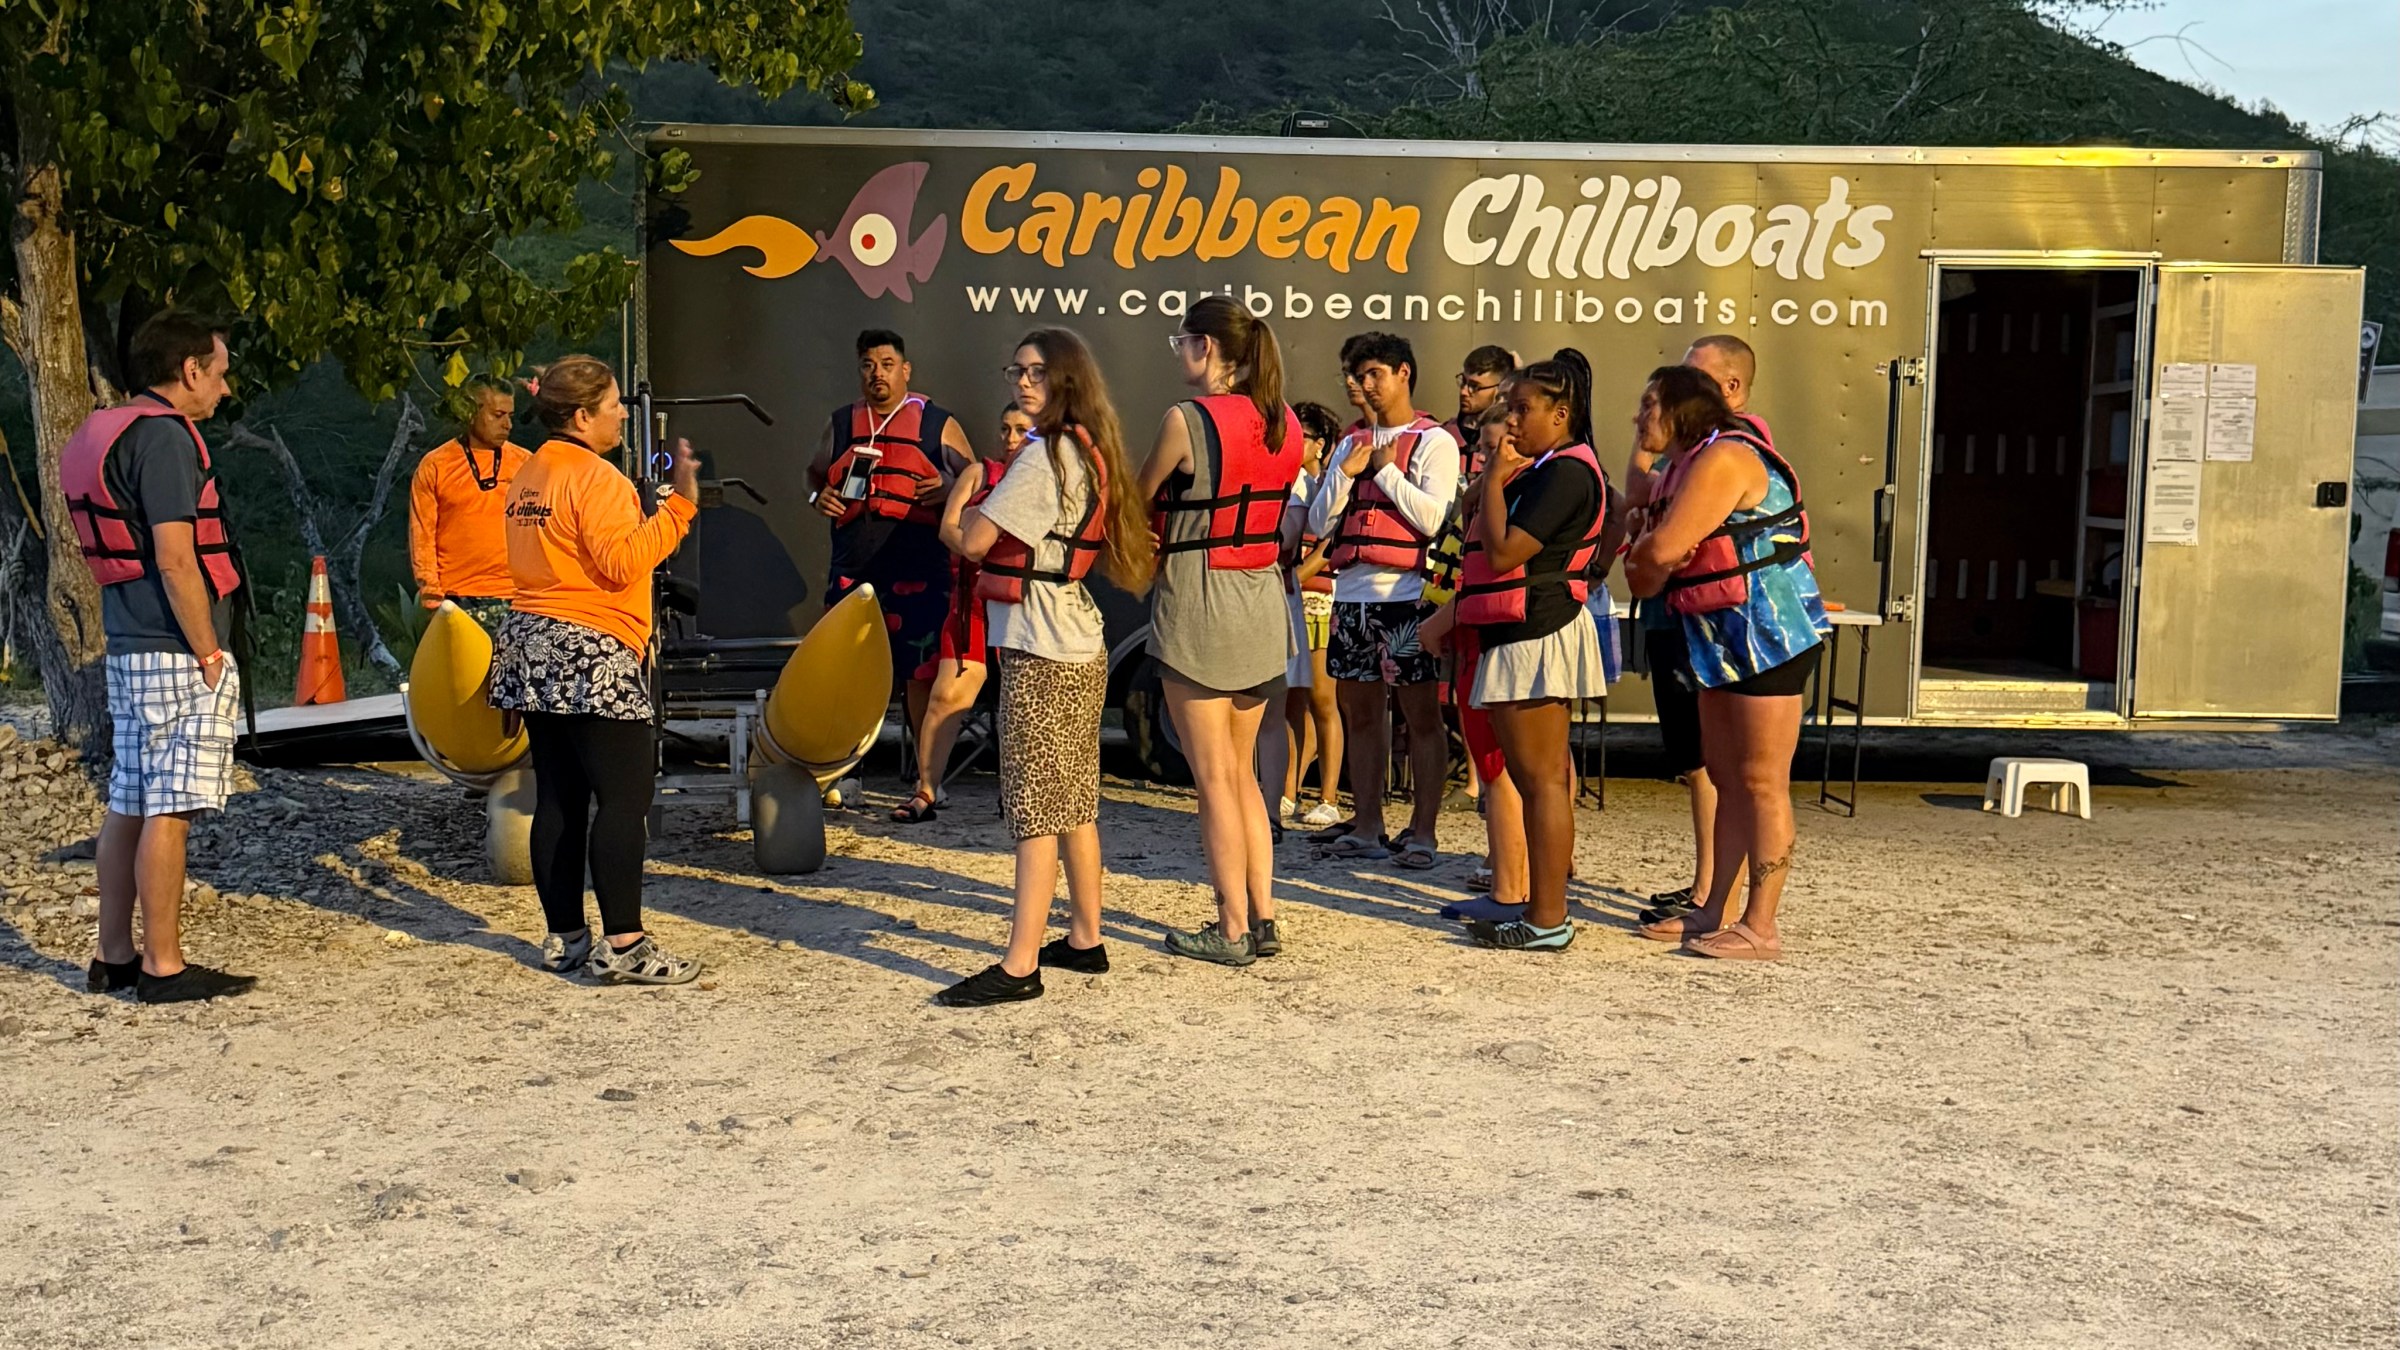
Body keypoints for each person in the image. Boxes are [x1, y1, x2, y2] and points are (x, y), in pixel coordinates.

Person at [934, 328, 1153, 1006]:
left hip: (1041, 646)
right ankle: (1085, 937)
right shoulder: (1088, 449)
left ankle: (1020, 963)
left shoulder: (1040, 457)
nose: (1023, 382)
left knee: (1034, 808)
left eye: (1037, 372)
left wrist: (956, 498)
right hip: (1076, 638)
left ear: (1065, 381)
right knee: (1075, 801)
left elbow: (972, 542)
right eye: (1017, 369)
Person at [491, 355, 704, 985]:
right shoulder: (596, 476)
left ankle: (567, 937)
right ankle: (626, 944)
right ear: (582, 415)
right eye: (613, 405)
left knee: (559, 793)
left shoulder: (530, 472)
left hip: (532, 642)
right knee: (625, 797)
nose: (620, 415)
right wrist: (678, 510)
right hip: (592, 646)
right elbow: (620, 562)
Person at [67, 310, 255, 1003]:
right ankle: (163, 967)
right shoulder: (166, 442)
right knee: (170, 808)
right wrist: (210, 650)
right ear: (190, 371)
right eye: (220, 372)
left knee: (129, 802)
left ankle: (113, 956)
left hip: (127, 642)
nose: (224, 389)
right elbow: (178, 560)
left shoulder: (104, 429)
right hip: (177, 651)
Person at [1624, 365, 1826, 962]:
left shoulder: (1724, 459)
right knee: (1725, 774)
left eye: (1649, 406)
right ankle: (1713, 908)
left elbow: (1654, 556)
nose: (1637, 420)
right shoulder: (1686, 463)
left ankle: (1760, 926)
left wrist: (1647, 553)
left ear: (1683, 409)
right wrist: (1647, 553)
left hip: (1770, 636)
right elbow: (1645, 551)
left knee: (1761, 781)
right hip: (1719, 639)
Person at [1139, 296, 1307, 966]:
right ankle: (1262, 915)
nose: (1179, 351)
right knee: (1242, 777)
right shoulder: (1285, 421)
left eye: (1183, 340)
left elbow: (1143, 491)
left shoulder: (1186, 420)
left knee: (1213, 779)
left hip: (1200, 595)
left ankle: (1230, 927)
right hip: (1262, 598)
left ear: (1207, 348)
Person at [1450, 351, 1617, 951]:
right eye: (1510, 409)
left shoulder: (1567, 471)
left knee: (1541, 781)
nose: (1511, 421)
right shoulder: (1556, 466)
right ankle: (1538, 908)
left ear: (1562, 412)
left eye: (1523, 409)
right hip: (1525, 629)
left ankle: (1547, 918)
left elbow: (1501, 555)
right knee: (1532, 779)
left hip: (1537, 630)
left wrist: (1494, 477)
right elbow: (1616, 509)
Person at [1305, 332, 1462, 870]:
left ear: (1402, 373)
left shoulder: (1435, 441)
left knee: (1421, 717)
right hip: (1351, 595)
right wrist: (1345, 477)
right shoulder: (1350, 442)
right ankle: (1367, 823)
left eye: (1373, 373)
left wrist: (1387, 470)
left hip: (1409, 597)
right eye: (1356, 375)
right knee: (1361, 715)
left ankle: (1423, 831)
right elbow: (1318, 523)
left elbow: (1433, 518)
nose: (1363, 385)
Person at [1631, 335, 1771, 927]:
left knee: (1738, 771)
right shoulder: (1682, 455)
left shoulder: (1733, 451)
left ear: (1730, 390)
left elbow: (1662, 545)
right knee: (1697, 761)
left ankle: (1726, 901)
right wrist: (1644, 439)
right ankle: (1708, 890)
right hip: (1678, 617)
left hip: (1722, 627)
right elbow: (1636, 507)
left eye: (1695, 379)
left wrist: (1646, 548)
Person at [808, 329, 978, 766]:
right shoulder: (842, 422)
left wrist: (948, 487)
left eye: (886, 365)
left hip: (919, 565)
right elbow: (814, 474)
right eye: (867, 365)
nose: (876, 374)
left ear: (905, 370)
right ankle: (844, 768)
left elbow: (979, 481)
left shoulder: (937, 423)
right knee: (847, 672)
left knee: (920, 672)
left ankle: (926, 776)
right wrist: (817, 496)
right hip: (854, 565)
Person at [894, 403, 1036, 823]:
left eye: (1021, 431)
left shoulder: (1044, 477)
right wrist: (980, 535)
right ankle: (926, 789)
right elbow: (948, 529)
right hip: (971, 598)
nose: (1011, 439)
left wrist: (977, 526)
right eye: (1006, 429)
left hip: (1022, 602)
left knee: (1022, 702)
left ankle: (1017, 792)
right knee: (945, 696)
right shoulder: (980, 474)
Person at [408, 380, 530, 630]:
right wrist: (433, 603)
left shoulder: (526, 464)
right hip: (455, 600)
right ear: (471, 412)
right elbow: (422, 538)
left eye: (510, 416)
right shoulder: (436, 465)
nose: (507, 424)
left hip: (519, 599)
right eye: (498, 415)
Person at [1279, 401, 1344, 832]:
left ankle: (1329, 797)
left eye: (1301, 435)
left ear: (1319, 444)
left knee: (1323, 700)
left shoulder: (1326, 487)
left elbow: (1326, 547)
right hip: (1289, 599)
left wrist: (1304, 571)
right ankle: (1287, 791)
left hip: (1319, 599)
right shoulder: (1286, 482)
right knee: (1290, 702)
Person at [1447, 344, 1517, 475]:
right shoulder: (1443, 434)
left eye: (1475, 386)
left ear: (1501, 388)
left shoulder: (1514, 439)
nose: (1464, 392)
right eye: (1463, 382)